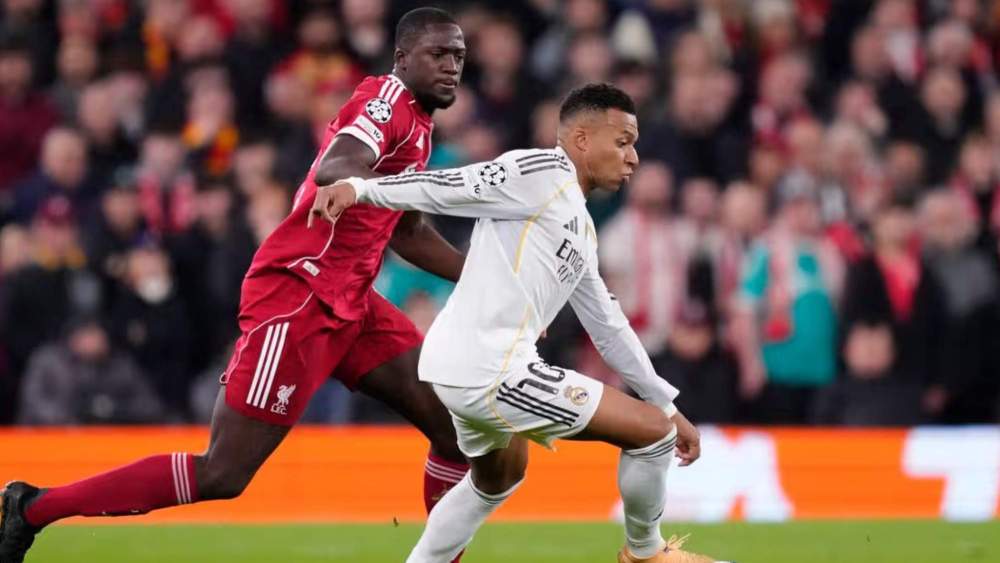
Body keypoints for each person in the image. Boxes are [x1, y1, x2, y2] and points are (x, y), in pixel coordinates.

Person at [0, 8, 471, 562]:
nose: (451, 67)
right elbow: (337, 166)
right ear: (402, 58)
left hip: (353, 301)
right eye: (438, 55)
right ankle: (32, 507)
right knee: (223, 471)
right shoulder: (385, 102)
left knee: (456, 431)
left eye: (459, 57)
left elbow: (408, 232)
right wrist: (424, 187)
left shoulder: (418, 122)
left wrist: (485, 277)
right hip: (301, 295)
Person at [313, 84, 726, 563]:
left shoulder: (579, 222)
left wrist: (664, 399)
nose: (633, 157)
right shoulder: (538, 172)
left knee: (497, 478)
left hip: (463, 366)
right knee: (653, 433)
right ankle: (646, 554)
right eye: (623, 142)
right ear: (583, 139)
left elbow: (607, 324)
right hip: (490, 368)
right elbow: (447, 187)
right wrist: (361, 188)